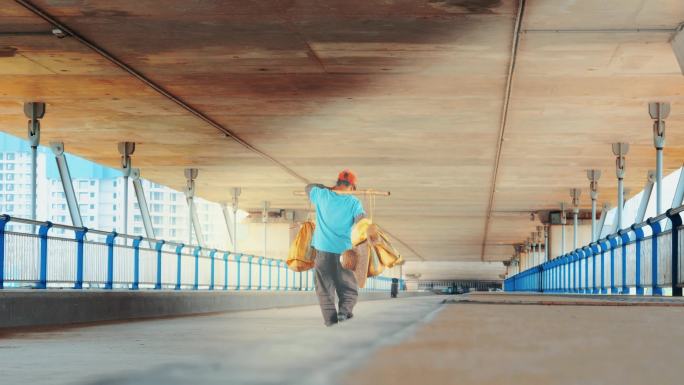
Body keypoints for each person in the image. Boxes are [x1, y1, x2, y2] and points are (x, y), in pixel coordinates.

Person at [306, 169, 366, 326]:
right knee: (348, 287)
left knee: (324, 288)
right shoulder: (354, 202)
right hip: (344, 253)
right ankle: (344, 312)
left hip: (323, 251)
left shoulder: (321, 195)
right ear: (352, 187)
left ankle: (330, 321)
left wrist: (327, 188)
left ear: (337, 183)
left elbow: (309, 187)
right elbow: (361, 221)